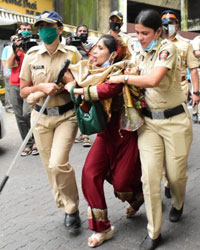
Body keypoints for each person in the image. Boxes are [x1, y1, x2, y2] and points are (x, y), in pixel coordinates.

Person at [109, 9, 193, 250]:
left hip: (175, 121)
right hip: (149, 125)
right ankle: (154, 232)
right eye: (137, 33)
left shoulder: (168, 49)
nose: (140, 37)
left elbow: (153, 80)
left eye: (145, 33)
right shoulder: (139, 53)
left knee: (176, 176)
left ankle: (178, 203)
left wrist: (123, 79)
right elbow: (130, 68)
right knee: (149, 178)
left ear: (158, 32)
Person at [65, 34, 144, 248]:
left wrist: (77, 90)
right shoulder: (89, 71)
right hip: (104, 134)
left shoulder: (122, 68)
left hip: (125, 133)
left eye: (100, 48)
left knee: (122, 182)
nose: (94, 52)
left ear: (114, 52)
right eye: (94, 48)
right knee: (90, 174)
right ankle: (102, 228)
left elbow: (109, 89)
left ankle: (137, 196)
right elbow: (73, 80)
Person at [19, 11, 82, 234]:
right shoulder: (31, 55)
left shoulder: (73, 54)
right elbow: (23, 90)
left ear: (59, 29)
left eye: (49, 25)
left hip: (66, 115)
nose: (44, 29)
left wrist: (70, 83)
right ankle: (64, 206)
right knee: (49, 168)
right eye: (41, 26)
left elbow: (82, 85)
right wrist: (41, 88)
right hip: (41, 117)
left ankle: (72, 208)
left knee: (58, 163)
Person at [161, 10, 200, 124]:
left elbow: (193, 69)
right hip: (160, 86)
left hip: (180, 87)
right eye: (166, 23)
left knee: (178, 119)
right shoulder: (156, 44)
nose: (169, 26)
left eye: (172, 23)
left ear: (177, 25)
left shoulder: (186, 45)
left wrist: (196, 93)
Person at [6, 22, 39, 156]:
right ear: (19, 31)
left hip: (29, 84)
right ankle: (27, 143)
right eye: (23, 29)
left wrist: (26, 49)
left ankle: (36, 140)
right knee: (19, 116)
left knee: (28, 113)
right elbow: (10, 64)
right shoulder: (12, 46)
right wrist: (16, 49)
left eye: (28, 30)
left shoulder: (33, 47)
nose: (25, 32)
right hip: (14, 84)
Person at [73, 24, 94, 147]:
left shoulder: (91, 46)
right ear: (76, 33)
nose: (82, 33)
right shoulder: (71, 46)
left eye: (84, 31)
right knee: (77, 106)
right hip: (76, 79)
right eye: (80, 31)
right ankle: (81, 133)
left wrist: (82, 47)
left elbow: (93, 58)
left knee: (86, 105)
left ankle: (86, 136)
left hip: (87, 79)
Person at [1, 40, 13, 113]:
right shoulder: (7, 48)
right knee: (8, 89)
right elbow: (3, 60)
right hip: (8, 72)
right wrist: (5, 71)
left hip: (17, 73)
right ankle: (8, 106)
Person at [191, 35, 200, 123]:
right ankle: (195, 113)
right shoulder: (197, 40)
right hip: (197, 70)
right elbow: (195, 53)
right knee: (196, 91)